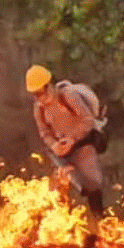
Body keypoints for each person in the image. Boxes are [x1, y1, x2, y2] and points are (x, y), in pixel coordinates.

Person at [26, 64, 107, 217]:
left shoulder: (68, 96)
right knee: (66, 187)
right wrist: (54, 145)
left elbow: (87, 121)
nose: (40, 98)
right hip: (62, 151)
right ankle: (71, 226)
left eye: (41, 93)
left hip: (83, 142)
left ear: (48, 86)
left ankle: (99, 221)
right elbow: (44, 133)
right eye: (35, 95)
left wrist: (72, 138)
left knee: (93, 185)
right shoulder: (39, 109)